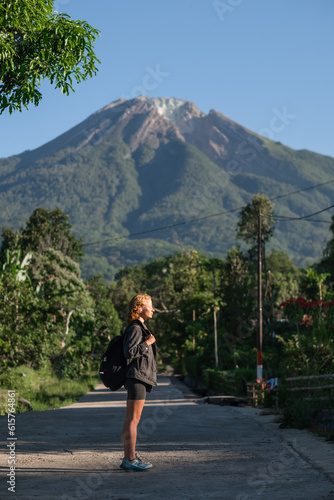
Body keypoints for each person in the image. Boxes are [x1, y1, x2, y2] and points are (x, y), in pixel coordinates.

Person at [120, 294, 157, 471]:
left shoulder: (139, 327)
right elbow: (129, 352)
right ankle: (130, 458)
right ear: (140, 307)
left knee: (131, 420)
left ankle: (129, 457)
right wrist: (148, 343)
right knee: (133, 420)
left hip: (138, 377)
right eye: (150, 306)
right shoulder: (135, 328)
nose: (153, 309)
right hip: (137, 378)